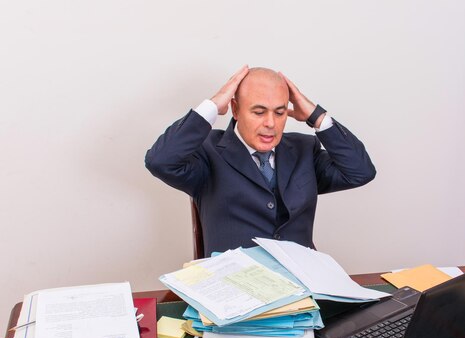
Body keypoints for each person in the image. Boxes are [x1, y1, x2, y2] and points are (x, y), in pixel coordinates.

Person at [145, 65, 376, 257]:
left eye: (279, 112)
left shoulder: (305, 149)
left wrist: (318, 117)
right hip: (235, 292)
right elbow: (160, 161)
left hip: (303, 289)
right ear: (235, 109)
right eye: (258, 112)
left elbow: (360, 171)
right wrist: (213, 106)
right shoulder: (207, 151)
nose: (270, 123)